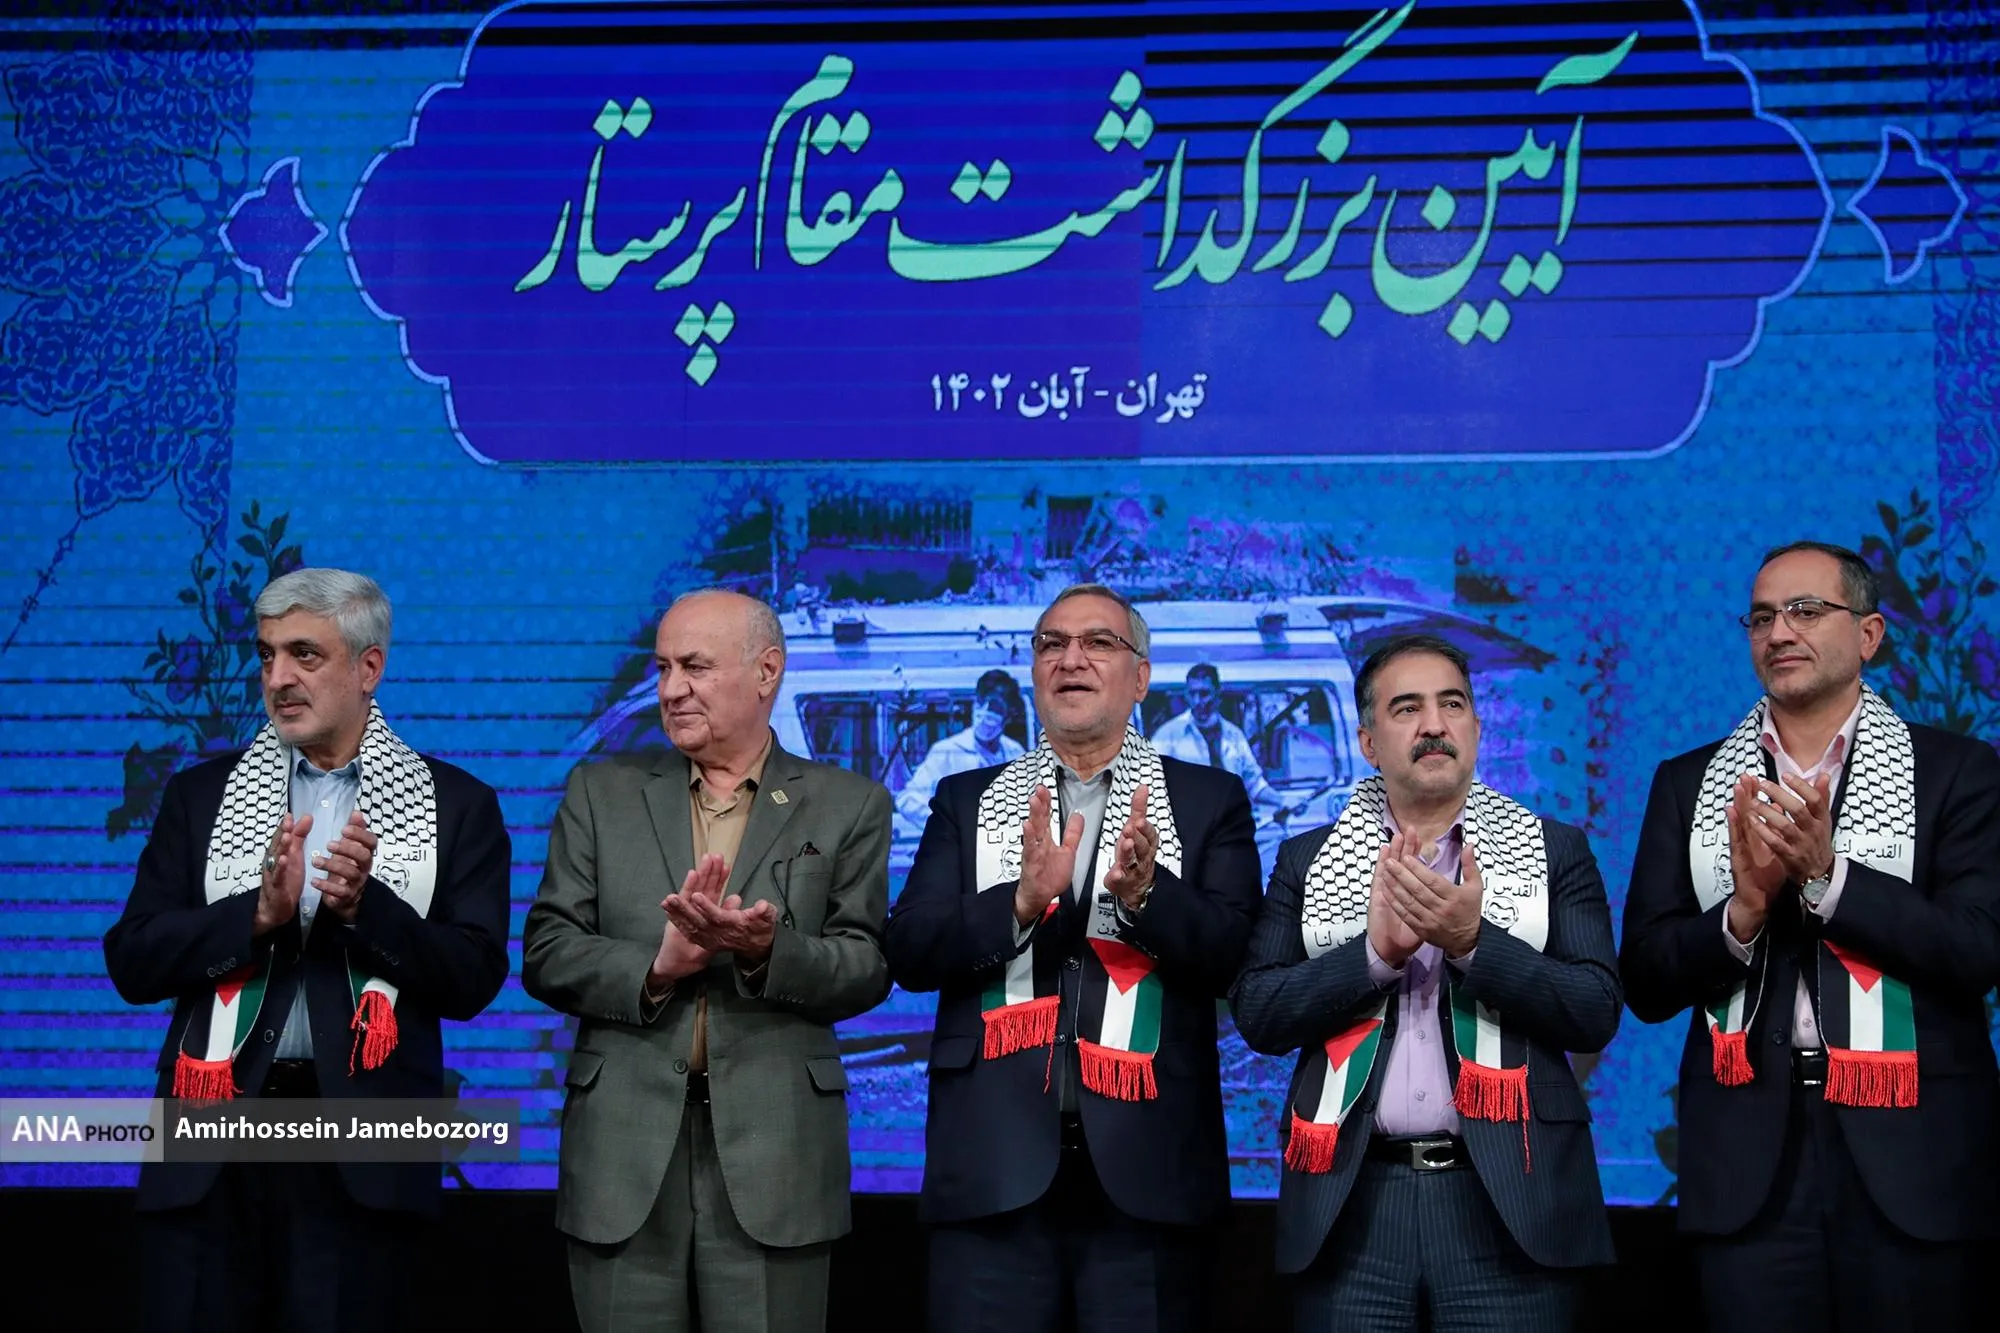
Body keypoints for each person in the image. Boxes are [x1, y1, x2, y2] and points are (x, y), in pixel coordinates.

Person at [103, 568, 512, 1333]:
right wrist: (255, 914)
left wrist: (366, 909)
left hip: (363, 1156)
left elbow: (473, 977)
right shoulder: (202, 796)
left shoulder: (456, 805)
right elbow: (132, 959)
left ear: (369, 667)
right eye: (266, 656)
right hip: (210, 1149)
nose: (277, 678)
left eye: (304, 654)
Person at [1620, 541, 2000, 1331]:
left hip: (1913, 1155)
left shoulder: (1957, 771)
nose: (1779, 632)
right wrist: (1741, 914)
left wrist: (1831, 879)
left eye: (1805, 610)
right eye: (1762, 618)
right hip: (1748, 1158)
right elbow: (1647, 979)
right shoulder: (1690, 782)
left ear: (1869, 634)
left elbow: (1976, 952)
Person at [885, 583, 1262, 1333]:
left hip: (1149, 1175)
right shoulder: (967, 799)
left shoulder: (1206, 799)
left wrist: (1148, 896)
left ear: (1141, 677)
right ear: (1034, 672)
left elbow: (1234, 960)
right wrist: (1019, 903)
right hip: (992, 1170)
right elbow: (910, 950)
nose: (1071, 659)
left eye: (1098, 643)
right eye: (1051, 644)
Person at [523, 588, 892, 1333]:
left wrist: (766, 951)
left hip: (777, 1154)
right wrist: (657, 967)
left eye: (694, 666)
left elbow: (865, 967)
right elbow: (548, 950)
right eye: (662, 668)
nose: (671, 689)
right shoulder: (601, 793)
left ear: (767, 672)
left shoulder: (849, 805)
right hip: (622, 1153)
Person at [1230, 633, 1619, 1330]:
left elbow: (1595, 1009)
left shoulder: (1553, 849)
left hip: (1510, 1202)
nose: (1434, 724)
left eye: (1452, 704)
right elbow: (1258, 1011)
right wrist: (1374, 955)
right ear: (1368, 742)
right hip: (1352, 1206)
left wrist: (1473, 943)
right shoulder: (1307, 860)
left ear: (1476, 727)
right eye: (1407, 708)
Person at [894, 669, 1028, 835]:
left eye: (995, 708)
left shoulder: (1015, 753)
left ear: (1008, 716)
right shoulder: (948, 752)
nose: (985, 713)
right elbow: (907, 800)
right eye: (981, 704)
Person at [1149, 662, 1282, 815]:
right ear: (1186, 695)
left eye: (1204, 694)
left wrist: (1282, 801)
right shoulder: (1167, 736)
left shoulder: (1234, 736)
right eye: (1192, 694)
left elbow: (1254, 785)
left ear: (1218, 694)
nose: (1198, 702)